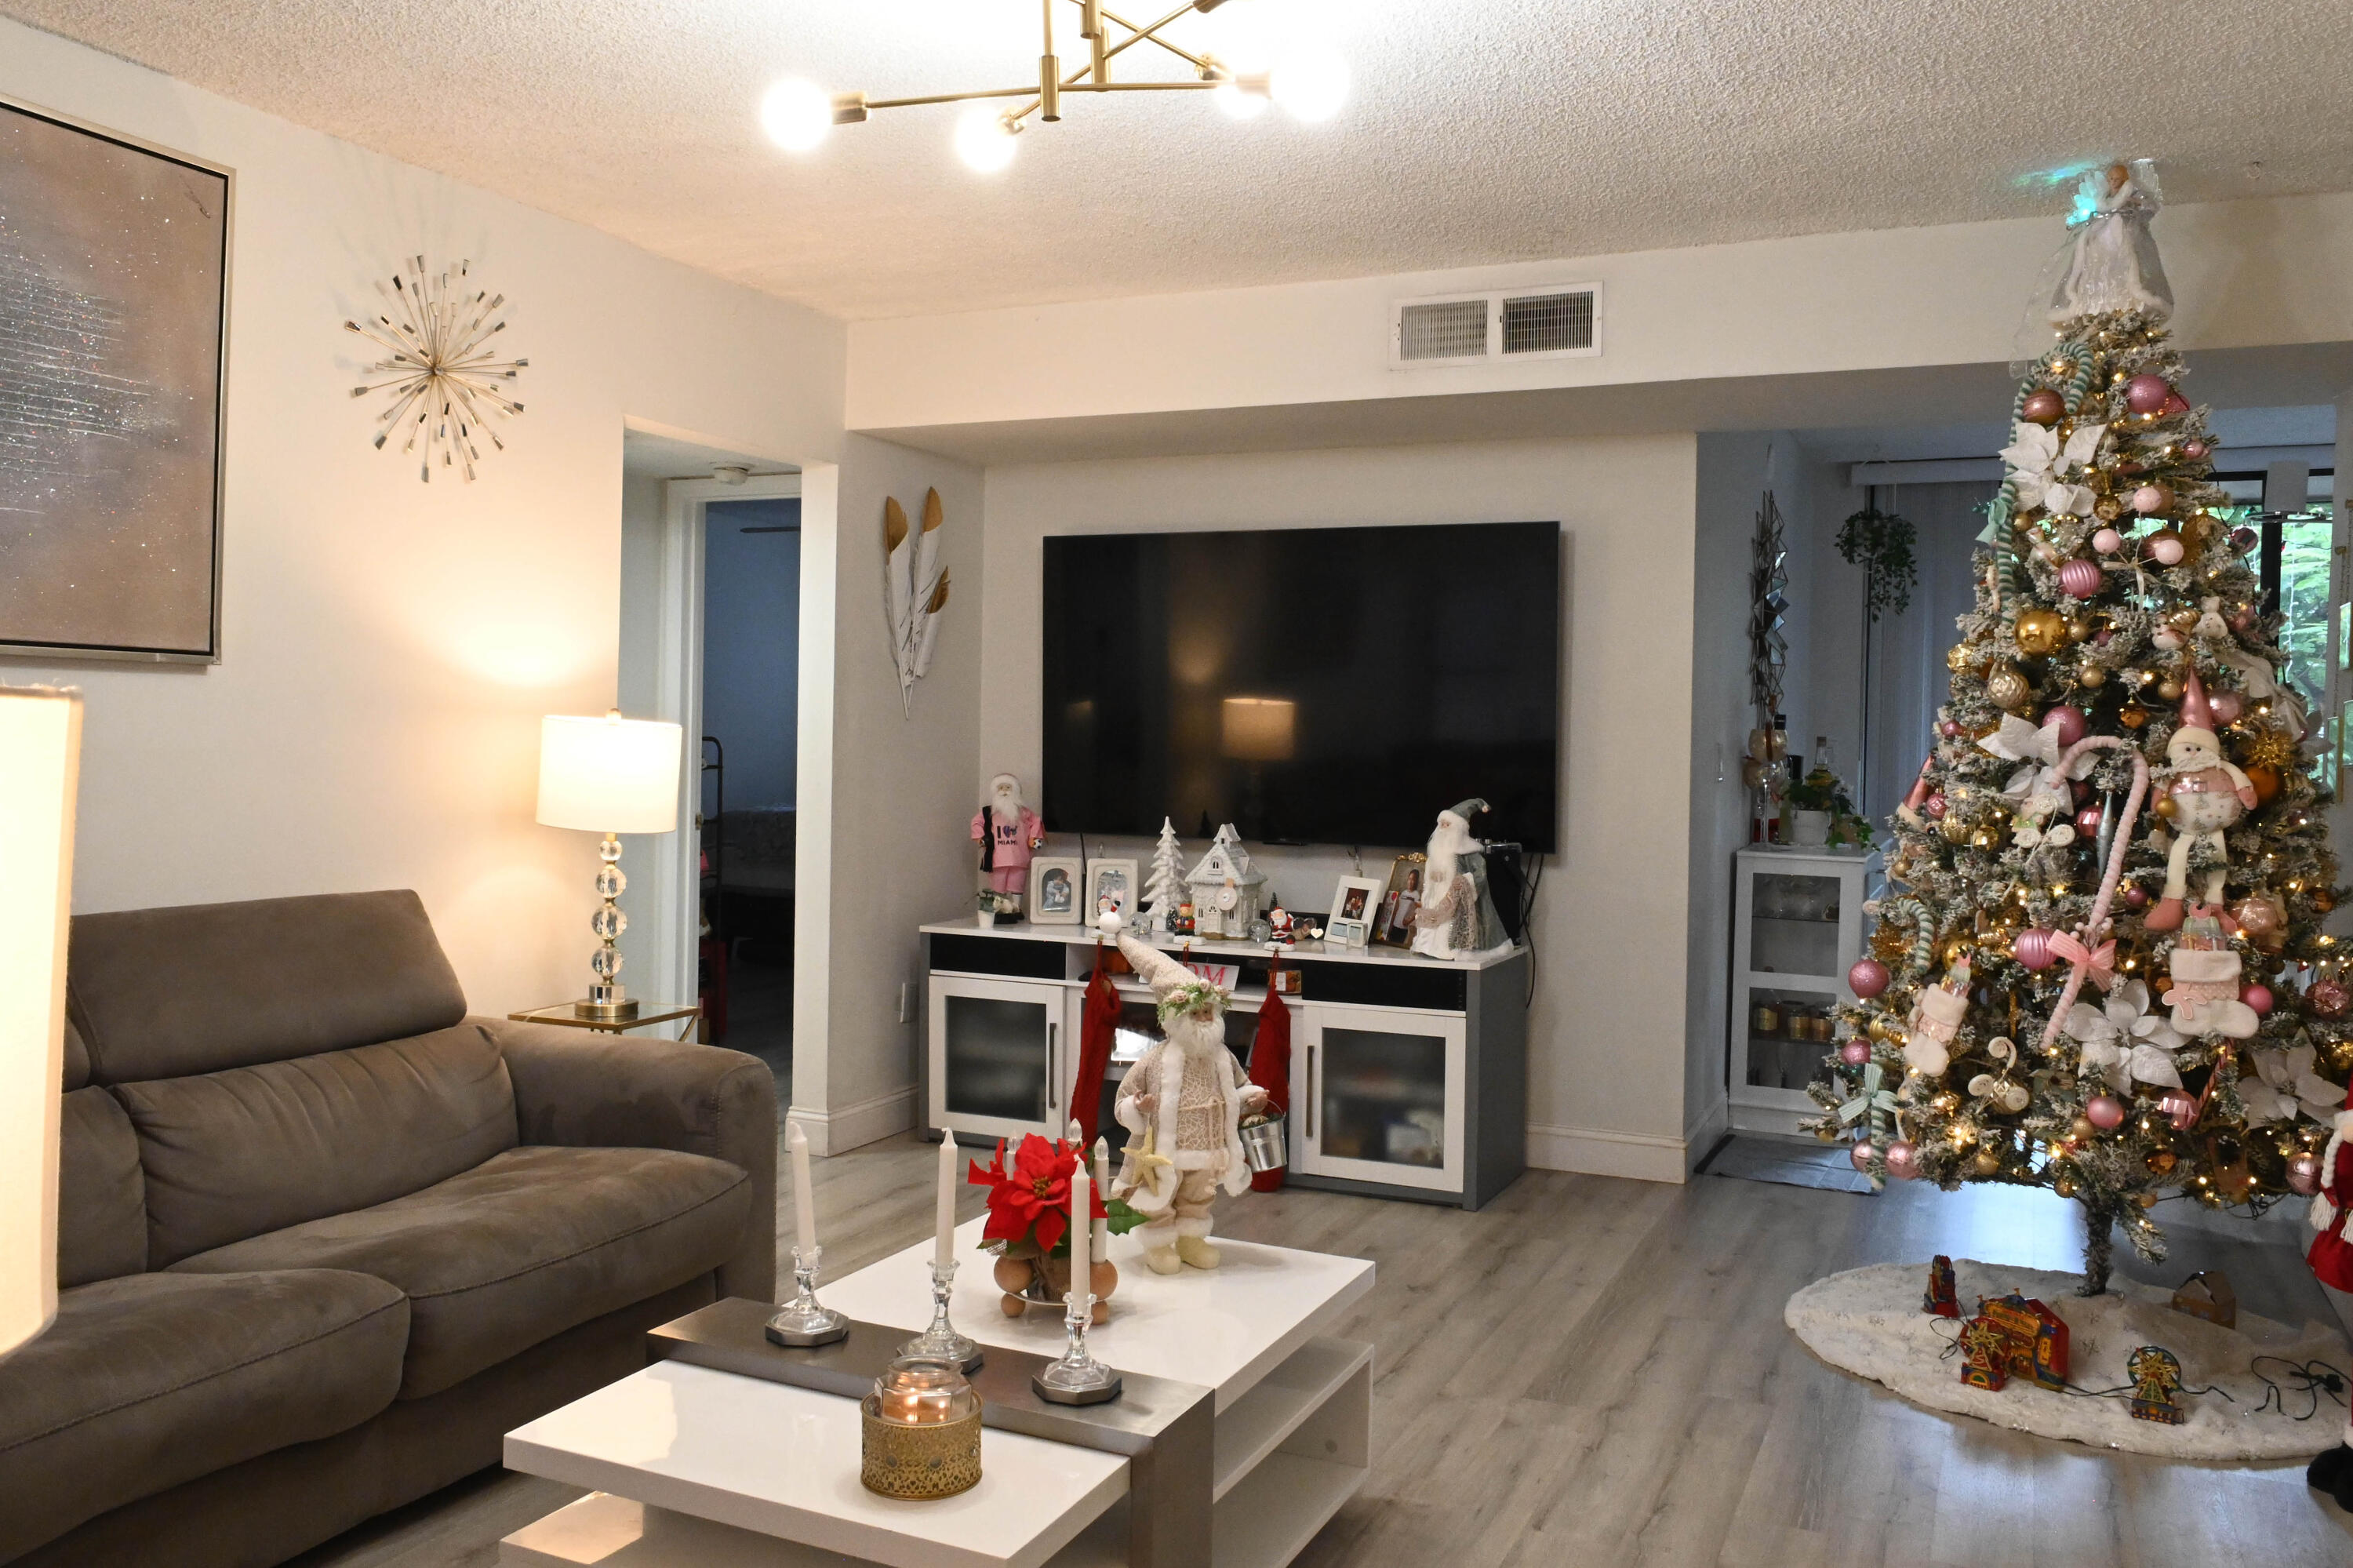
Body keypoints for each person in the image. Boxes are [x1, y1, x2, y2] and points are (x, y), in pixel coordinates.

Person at [1110, 933, 1269, 1274]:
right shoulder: (1154, 1061)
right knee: (1160, 1197)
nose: (1203, 1019)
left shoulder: (1223, 1058)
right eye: (1195, 1013)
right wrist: (1140, 1106)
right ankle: (1159, 1243)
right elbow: (1123, 1099)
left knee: (1199, 1194)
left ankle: (1191, 1239)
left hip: (1207, 1144)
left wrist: (1251, 1098)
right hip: (1165, 1148)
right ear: (1175, 1016)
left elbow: (1239, 1088)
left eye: (1208, 1012)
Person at [971, 773, 1044, 902]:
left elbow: (1036, 822)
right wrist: (980, 838)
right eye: (1001, 788)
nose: (1004, 791)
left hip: (1019, 858)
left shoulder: (1023, 812)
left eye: (1008, 787)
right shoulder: (989, 812)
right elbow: (976, 823)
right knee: (998, 886)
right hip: (997, 859)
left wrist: (1034, 838)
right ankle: (1000, 909)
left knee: (1017, 884)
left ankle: (1016, 908)